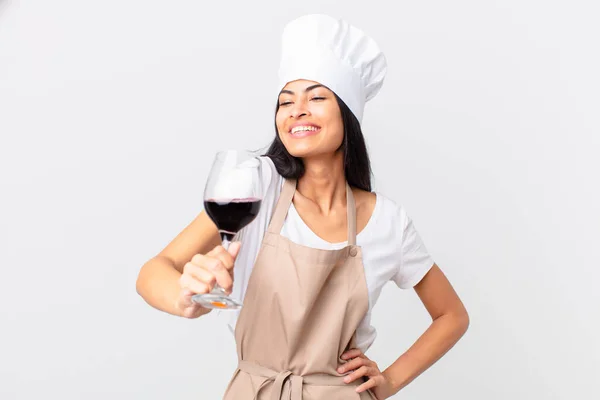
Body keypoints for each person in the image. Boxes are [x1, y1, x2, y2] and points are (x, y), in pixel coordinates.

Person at [136, 14, 469, 400]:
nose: (297, 110)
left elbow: (452, 316)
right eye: (285, 102)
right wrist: (183, 296)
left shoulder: (388, 222)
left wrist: (390, 381)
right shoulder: (258, 185)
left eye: (316, 97)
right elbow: (151, 273)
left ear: (348, 114)